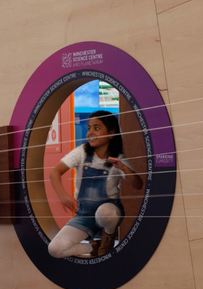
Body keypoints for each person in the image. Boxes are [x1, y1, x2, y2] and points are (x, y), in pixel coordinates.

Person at [48, 110, 143, 258]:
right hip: (84, 215)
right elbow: (55, 173)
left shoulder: (118, 158)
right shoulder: (81, 153)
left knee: (105, 213)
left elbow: (138, 184)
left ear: (111, 133)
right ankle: (92, 248)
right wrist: (62, 196)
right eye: (89, 128)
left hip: (109, 212)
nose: (90, 132)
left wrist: (123, 167)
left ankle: (108, 237)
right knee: (55, 249)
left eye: (96, 128)